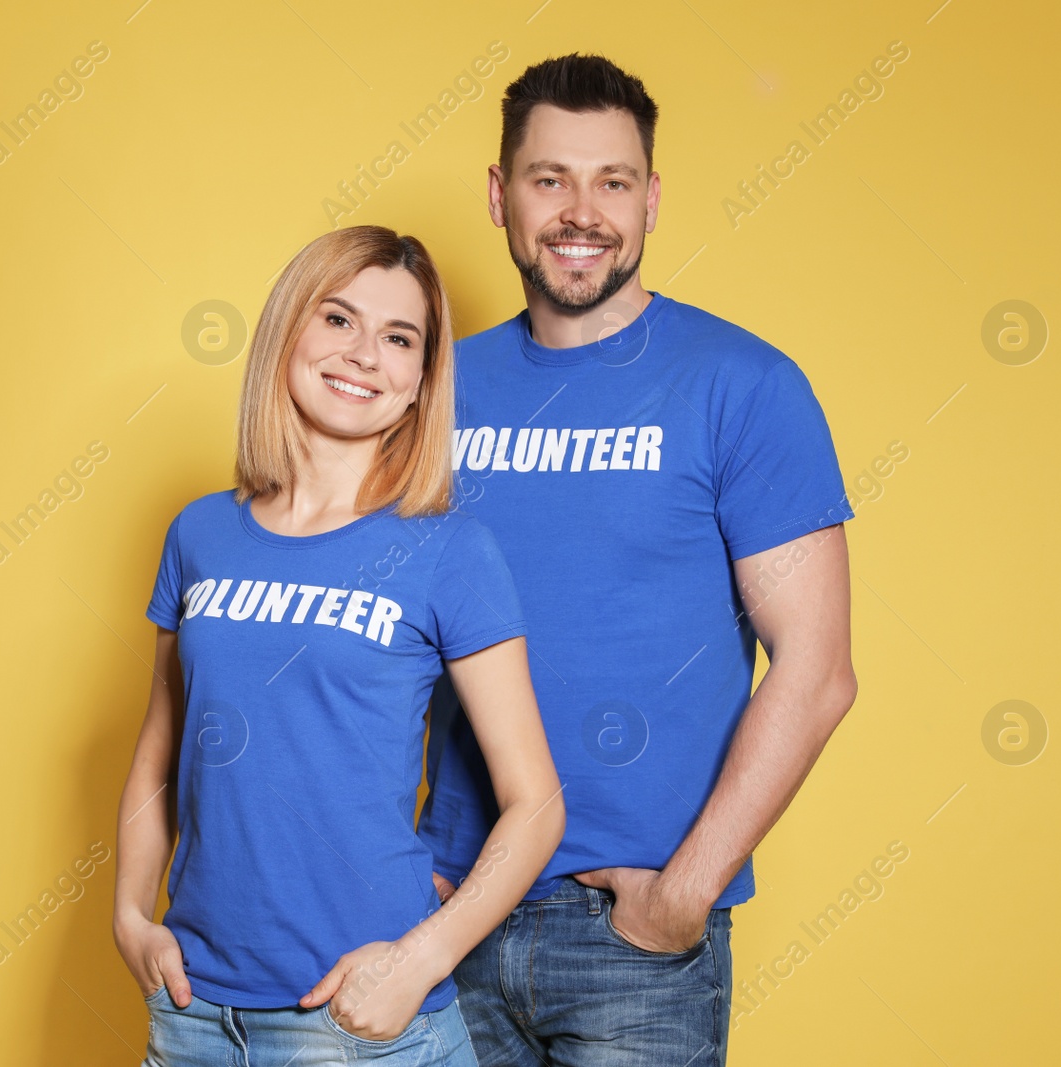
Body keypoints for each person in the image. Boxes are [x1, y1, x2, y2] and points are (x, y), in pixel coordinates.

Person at [418, 54, 859, 1066]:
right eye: (548, 179)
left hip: (632, 936)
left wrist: (684, 891)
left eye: (611, 180)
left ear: (651, 199)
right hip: (444, 915)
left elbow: (817, 666)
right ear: (499, 195)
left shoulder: (742, 385)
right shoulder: (434, 385)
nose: (582, 211)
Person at [114, 225, 565, 1066]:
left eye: (400, 339)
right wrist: (129, 918)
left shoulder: (450, 551)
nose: (364, 354)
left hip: (359, 1028)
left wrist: (419, 960)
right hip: (192, 1021)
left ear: (420, 384)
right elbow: (158, 754)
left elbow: (536, 802)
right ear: (289, 331)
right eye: (338, 320)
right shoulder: (201, 533)